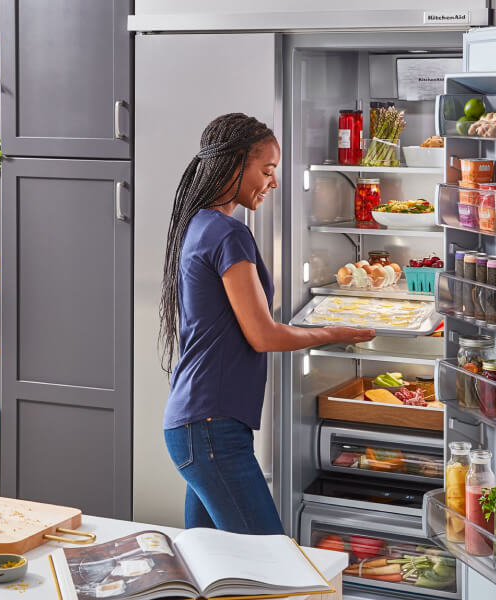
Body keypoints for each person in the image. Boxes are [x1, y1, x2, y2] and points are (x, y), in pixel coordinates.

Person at [159, 113, 375, 535]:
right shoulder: (228, 234)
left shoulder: (200, 224)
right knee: (267, 561)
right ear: (236, 162)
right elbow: (263, 335)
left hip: (198, 425)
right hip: (210, 431)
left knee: (214, 565)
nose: (273, 182)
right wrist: (336, 333)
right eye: (267, 170)